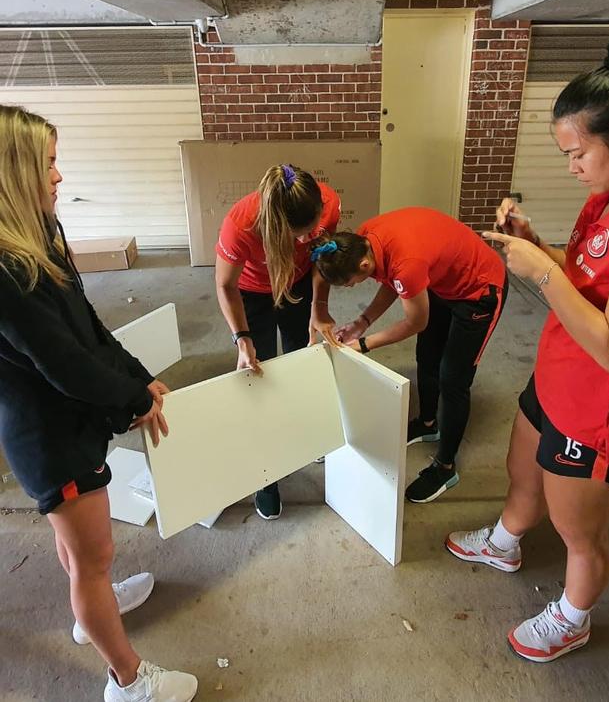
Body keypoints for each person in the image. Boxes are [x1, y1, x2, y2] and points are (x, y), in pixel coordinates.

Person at [446, 38, 609, 663]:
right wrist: (538, 245)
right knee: (521, 472)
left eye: (578, 153)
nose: (571, 168)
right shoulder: (606, 198)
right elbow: (588, 284)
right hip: (557, 378)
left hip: (600, 410)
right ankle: (506, 540)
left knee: (579, 534)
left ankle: (573, 617)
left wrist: (540, 272)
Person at [0, 106, 198, 702]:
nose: (59, 177)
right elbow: (61, 362)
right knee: (90, 555)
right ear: (13, 172)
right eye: (49, 164)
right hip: (47, 435)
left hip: (66, 417)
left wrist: (137, 377)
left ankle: (96, 611)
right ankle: (128, 679)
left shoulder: (38, 236)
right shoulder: (5, 268)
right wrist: (129, 401)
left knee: (81, 550)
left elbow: (86, 325)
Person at [311, 206, 508, 502]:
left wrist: (365, 344)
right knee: (427, 357)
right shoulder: (365, 238)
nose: (352, 288)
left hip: (479, 290)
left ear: (363, 265)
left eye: (350, 284)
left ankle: (445, 467)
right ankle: (428, 424)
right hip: (443, 282)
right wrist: (361, 323)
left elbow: (416, 321)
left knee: (453, 379)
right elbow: (395, 281)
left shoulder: (407, 262)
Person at [215, 164, 340, 520]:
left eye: (310, 231)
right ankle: (266, 475)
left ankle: (305, 436)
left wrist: (320, 306)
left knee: (302, 360)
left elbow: (321, 258)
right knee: (260, 374)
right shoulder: (240, 225)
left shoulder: (327, 203)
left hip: (297, 286)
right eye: (297, 235)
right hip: (252, 293)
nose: (305, 241)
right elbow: (225, 286)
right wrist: (242, 339)